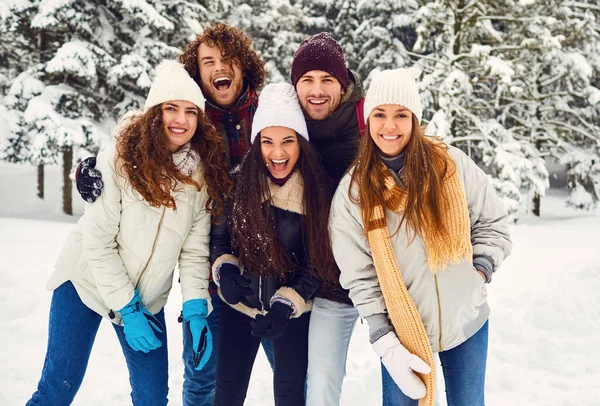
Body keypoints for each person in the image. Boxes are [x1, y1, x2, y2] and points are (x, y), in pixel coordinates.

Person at [74, 23, 273, 406]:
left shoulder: (269, 112)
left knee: (294, 378)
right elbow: (132, 146)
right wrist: (88, 167)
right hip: (209, 275)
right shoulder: (185, 119)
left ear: (244, 66)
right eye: (208, 61)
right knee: (201, 380)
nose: (220, 68)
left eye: (229, 59)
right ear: (195, 73)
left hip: (270, 270)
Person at [26, 60, 232, 405]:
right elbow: (98, 242)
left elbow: (194, 251)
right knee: (56, 390)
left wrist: (197, 308)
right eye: (171, 108)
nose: (180, 120)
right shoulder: (119, 159)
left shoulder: (199, 177)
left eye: (190, 111)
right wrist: (128, 309)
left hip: (148, 298)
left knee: (152, 398)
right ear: (154, 113)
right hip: (85, 283)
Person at [329, 67, 512, 405]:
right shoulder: (354, 193)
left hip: (467, 322)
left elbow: (493, 222)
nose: (390, 125)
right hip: (402, 333)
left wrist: (479, 271)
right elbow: (360, 276)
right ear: (368, 121)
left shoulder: (452, 166)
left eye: (401, 114)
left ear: (414, 119)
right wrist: (383, 335)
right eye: (380, 115)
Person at [210, 83, 336, 406]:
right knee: (226, 394)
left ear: (301, 142)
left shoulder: (316, 192)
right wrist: (225, 271)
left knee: (290, 396)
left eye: (287, 141)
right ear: (257, 143)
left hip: (291, 315)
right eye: (267, 142)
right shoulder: (240, 183)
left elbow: (318, 264)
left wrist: (285, 304)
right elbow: (221, 238)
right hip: (238, 309)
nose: (277, 154)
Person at [289, 32, 371, 405]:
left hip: (384, 278)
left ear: (343, 84)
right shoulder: (291, 129)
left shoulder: (372, 122)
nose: (317, 90)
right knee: (320, 380)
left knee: (410, 378)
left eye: (327, 80)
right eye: (307, 80)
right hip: (329, 284)